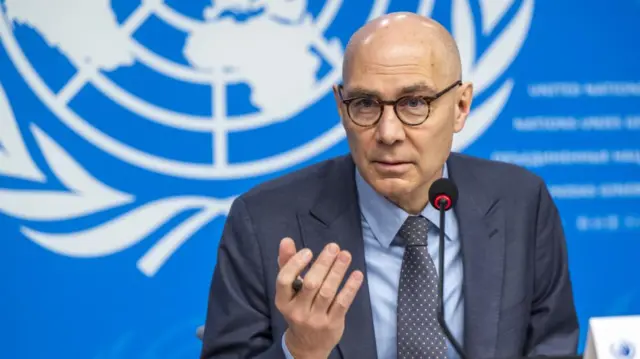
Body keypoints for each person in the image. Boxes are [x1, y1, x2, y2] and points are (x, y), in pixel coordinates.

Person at [199, 12, 579, 359]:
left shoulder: (520, 202)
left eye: (415, 103)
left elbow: (552, 347)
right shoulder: (263, 220)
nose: (388, 133)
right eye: (365, 104)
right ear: (340, 106)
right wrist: (300, 351)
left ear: (461, 107)